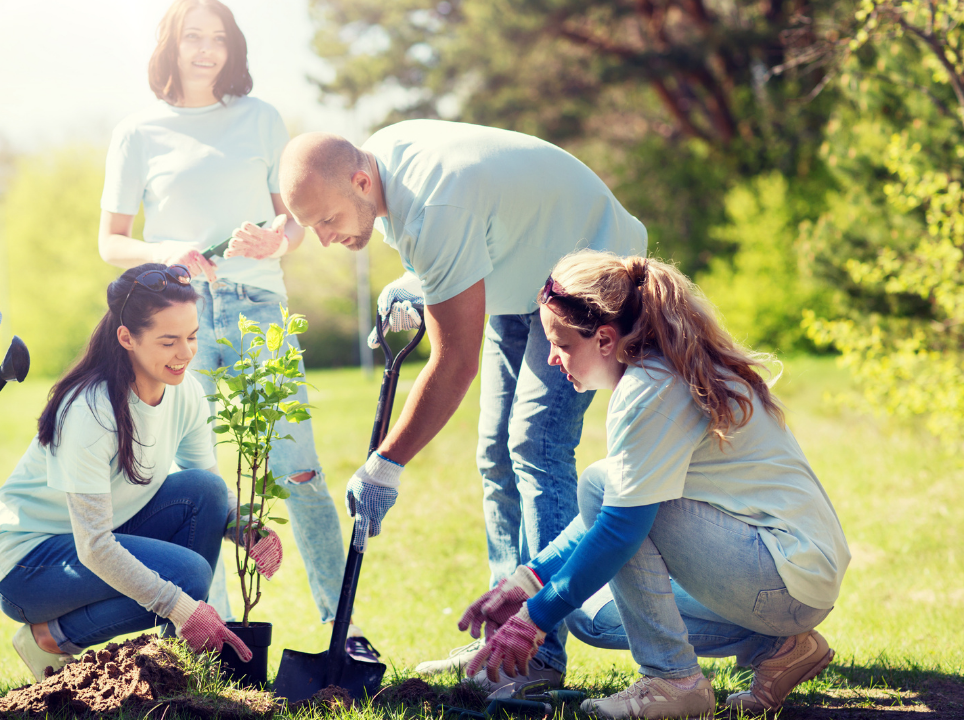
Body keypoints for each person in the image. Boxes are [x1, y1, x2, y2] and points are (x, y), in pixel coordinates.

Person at [278, 121, 648, 688]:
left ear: (360, 181)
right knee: (496, 451)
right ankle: (498, 638)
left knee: (535, 443)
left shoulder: (433, 208)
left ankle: (537, 653)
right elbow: (461, 233)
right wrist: (417, 279)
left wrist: (386, 464)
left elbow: (455, 361)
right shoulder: (379, 165)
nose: (325, 240)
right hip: (521, 264)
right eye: (313, 228)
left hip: (587, 261)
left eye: (327, 220)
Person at [96, 0, 376, 660]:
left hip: (258, 309)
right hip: (179, 317)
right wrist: (167, 250)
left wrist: (275, 239)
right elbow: (111, 242)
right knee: (195, 479)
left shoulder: (261, 119)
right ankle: (209, 636)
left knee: (298, 469)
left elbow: (294, 220)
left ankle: (341, 634)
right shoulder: (138, 131)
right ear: (170, 44)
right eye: (193, 36)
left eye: (218, 38)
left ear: (233, 47)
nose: (205, 49)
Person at [461, 251, 849, 719]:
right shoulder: (657, 371)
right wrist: (529, 582)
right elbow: (614, 515)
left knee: (603, 490)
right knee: (588, 613)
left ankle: (674, 681)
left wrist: (532, 620)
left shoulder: (651, 386)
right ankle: (782, 648)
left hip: (783, 574)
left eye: (560, 343)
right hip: (784, 581)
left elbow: (620, 526)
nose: (552, 357)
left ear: (605, 339)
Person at [0, 264, 279, 680]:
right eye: (168, 341)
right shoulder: (89, 410)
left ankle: (179, 657)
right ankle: (52, 637)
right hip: (27, 565)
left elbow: (211, 489)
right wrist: (180, 605)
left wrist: (243, 524)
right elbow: (95, 546)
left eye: (192, 337)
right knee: (189, 577)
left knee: (206, 490)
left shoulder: (186, 391)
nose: (186, 353)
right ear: (127, 338)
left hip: (95, 537)